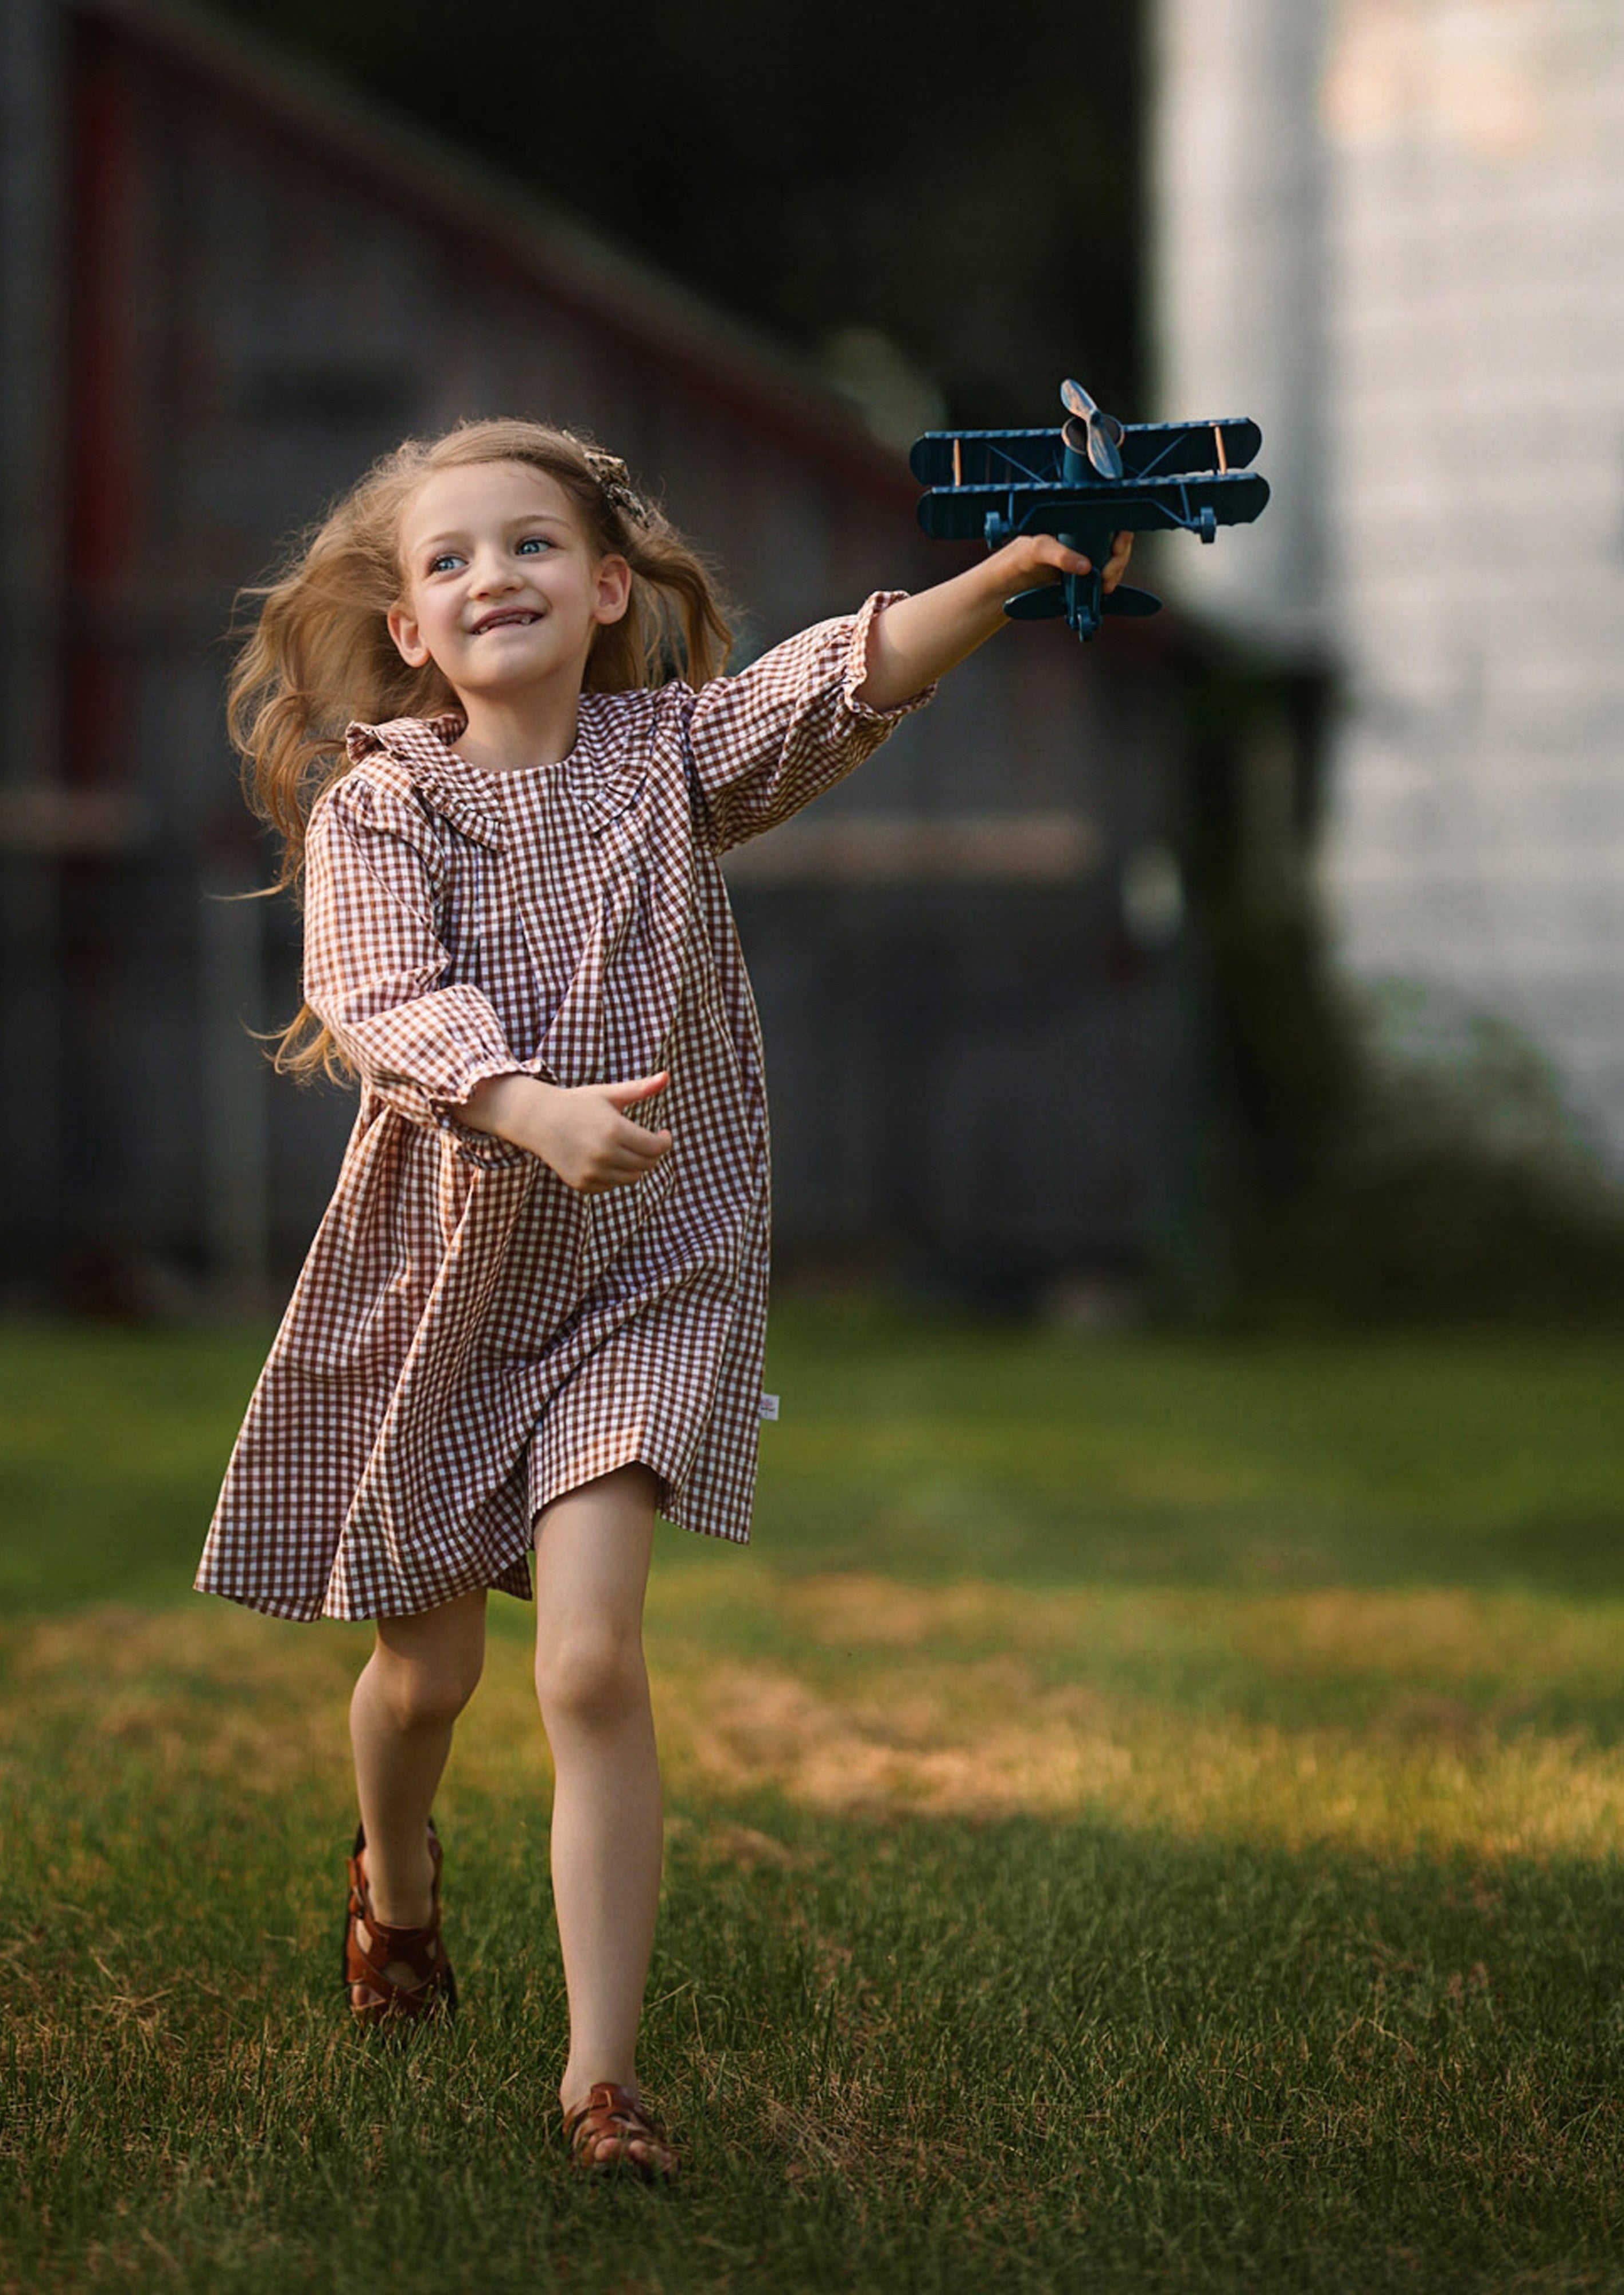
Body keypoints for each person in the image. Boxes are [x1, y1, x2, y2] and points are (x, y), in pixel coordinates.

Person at [196, 418, 1131, 2179]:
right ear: (406, 628)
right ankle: (394, 1885)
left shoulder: (671, 758)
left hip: (654, 1273)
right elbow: (377, 995)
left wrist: (1011, 576)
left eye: (532, 546)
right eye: (451, 561)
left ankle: (600, 2080)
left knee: (594, 1661)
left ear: (609, 588)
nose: (496, 579)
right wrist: (524, 1103)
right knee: (427, 1672)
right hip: (454, 1279)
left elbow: (839, 681)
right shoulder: (386, 802)